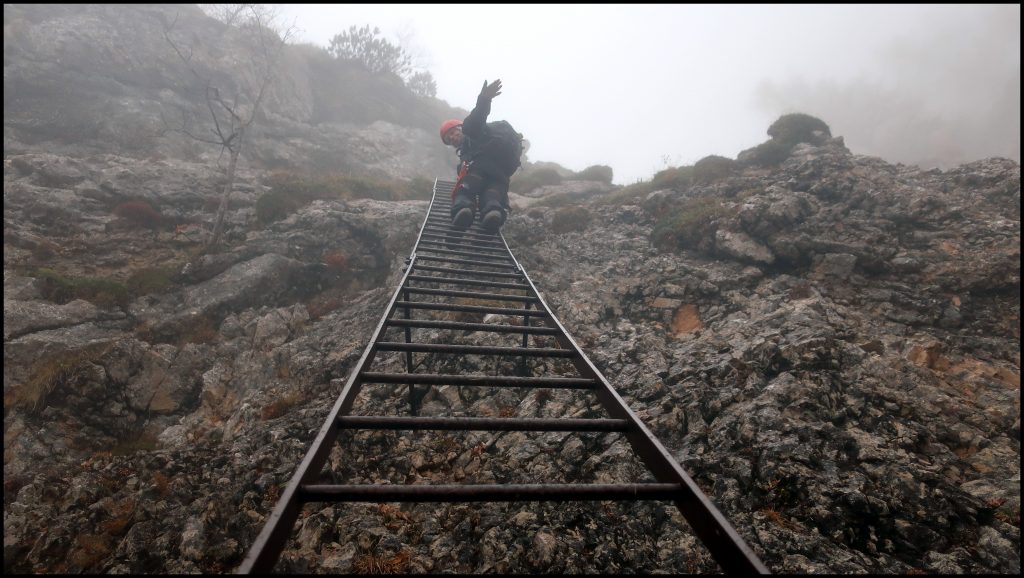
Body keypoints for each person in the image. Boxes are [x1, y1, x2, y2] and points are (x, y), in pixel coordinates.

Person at [439, 79, 523, 235]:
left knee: (464, 192)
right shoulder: (483, 137)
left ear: (460, 128)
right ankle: (492, 213)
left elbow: (475, 121)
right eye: (449, 139)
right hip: (501, 175)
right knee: (492, 195)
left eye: (453, 133)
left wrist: (484, 99)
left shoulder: (472, 134)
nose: (453, 138)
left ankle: (463, 210)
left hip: (478, 170)